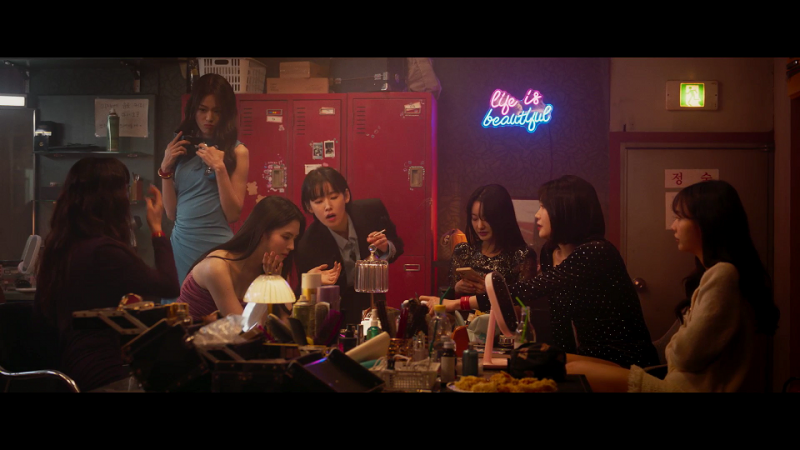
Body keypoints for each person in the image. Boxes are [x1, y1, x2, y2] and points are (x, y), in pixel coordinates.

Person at [565, 180, 780, 392]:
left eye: (680, 218)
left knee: (574, 370)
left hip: (681, 389)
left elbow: (686, 355)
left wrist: (674, 345)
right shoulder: (716, 274)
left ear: (707, 222)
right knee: (571, 362)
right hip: (674, 380)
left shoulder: (723, 275)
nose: (673, 226)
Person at [425, 175, 659, 369]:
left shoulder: (596, 252)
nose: (537, 214)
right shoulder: (550, 252)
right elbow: (559, 319)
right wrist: (558, 357)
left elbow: (527, 290)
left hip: (623, 359)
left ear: (566, 210)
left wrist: (455, 303)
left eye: (543, 207)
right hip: (583, 356)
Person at [32, 157, 179, 392]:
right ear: (114, 199)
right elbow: (169, 285)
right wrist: (157, 230)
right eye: (125, 189)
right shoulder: (104, 251)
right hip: (101, 372)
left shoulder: (59, 246)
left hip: (68, 368)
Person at [178, 196, 340, 322]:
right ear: (262, 233)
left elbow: (283, 325)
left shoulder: (273, 268)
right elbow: (244, 330)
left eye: (294, 239)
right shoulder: (216, 267)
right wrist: (268, 284)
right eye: (286, 237)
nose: (291, 246)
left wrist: (307, 286)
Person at [159, 73, 250, 293]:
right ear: (193, 110)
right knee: (180, 307)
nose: (209, 117)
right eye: (203, 110)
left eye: (216, 111)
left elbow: (233, 214)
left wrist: (220, 169)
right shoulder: (180, 147)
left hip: (215, 247)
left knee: (214, 307)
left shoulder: (238, 151)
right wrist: (165, 169)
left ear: (226, 113)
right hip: (181, 244)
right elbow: (171, 213)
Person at [294, 167, 404, 327]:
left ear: (346, 195)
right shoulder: (307, 245)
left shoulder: (371, 211)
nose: (327, 206)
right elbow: (301, 300)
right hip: (337, 317)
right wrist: (312, 281)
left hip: (374, 307)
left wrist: (385, 248)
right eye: (318, 202)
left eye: (333, 197)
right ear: (309, 207)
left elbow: (398, 245)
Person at [448, 184, 537, 299]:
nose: (480, 226)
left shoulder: (522, 256)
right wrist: (457, 289)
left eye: (486, 219)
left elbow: (523, 303)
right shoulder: (462, 251)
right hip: (463, 311)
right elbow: (447, 298)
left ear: (503, 218)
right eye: (475, 219)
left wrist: (493, 292)